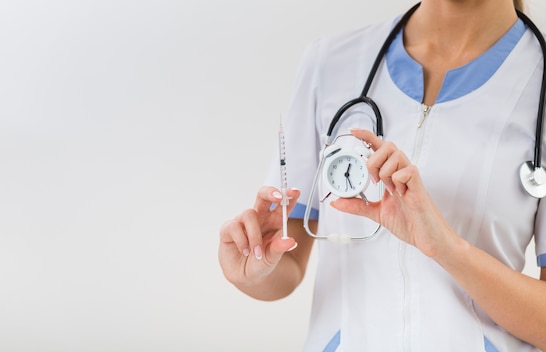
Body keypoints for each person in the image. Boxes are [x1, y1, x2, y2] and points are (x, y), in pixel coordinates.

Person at [218, 0, 546, 350]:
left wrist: (446, 248)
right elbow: (287, 267)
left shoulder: (534, 76)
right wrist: (253, 268)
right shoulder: (331, 63)